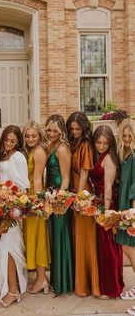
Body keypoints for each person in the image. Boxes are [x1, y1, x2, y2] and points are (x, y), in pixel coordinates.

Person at [66, 111, 100, 297]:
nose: (75, 132)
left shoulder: (86, 145)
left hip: (83, 191)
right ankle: (81, 282)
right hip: (75, 189)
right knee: (78, 237)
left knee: (85, 239)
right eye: (72, 129)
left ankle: (87, 285)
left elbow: (85, 173)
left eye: (78, 128)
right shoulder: (73, 143)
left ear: (84, 128)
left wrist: (79, 198)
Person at [0, 125, 30, 308]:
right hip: (3, 207)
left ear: (18, 142)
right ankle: (11, 288)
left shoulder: (18, 156)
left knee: (9, 250)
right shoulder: (3, 155)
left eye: (13, 141)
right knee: (5, 250)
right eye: (6, 139)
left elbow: (24, 186)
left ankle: (13, 291)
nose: (8, 143)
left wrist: (16, 208)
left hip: (14, 210)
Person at [90, 125, 124, 299]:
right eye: (98, 142)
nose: (101, 146)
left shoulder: (109, 158)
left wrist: (106, 213)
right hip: (99, 204)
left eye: (105, 143)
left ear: (110, 143)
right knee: (105, 248)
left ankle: (112, 289)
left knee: (109, 248)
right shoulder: (99, 155)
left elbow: (109, 188)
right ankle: (108, 285)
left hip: (107, 206)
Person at [45, 114, 74, 294]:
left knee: (61, 238)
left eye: (55, 130)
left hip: (60, 199)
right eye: (49, 129)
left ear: (62, 130)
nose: (52, 133)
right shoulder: (50, 145)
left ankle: (64, 283)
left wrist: (60, 201)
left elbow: (66, 178)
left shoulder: (62, 148)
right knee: (55, 238)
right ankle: (57, 280)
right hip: (51, 195)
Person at [22, 121, 50, 294]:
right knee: (32, 239)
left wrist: (37, 204)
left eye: (33, 135)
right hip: (27, 200)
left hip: (35, 200)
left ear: (39, 136)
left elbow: (38, 179)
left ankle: (41, 279)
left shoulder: (39, 152)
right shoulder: (28, 151)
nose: (30, 138)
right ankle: (40, 278)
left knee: (39, 240)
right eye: (27, 135)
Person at [115, 119, 135, 311]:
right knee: (126, 247)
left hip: (131, 207)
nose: (127, 139)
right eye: (125, 136)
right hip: (124, 205)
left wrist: (133, 210)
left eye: (131, 136)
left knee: (131, 249)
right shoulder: (126, 154)